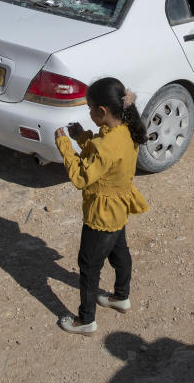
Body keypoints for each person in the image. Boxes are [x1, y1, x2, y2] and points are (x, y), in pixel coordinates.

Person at [54, 77, 149, 334]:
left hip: (102, 215)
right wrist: (83, 137)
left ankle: (86, 320)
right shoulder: (128, 129)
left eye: (90, 108)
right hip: (119, 208)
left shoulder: (105, 144)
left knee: (88, 265)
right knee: (120, 252)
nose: (89, 112)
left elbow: (81, 177)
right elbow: (106, 156)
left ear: (102, 111)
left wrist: (65, 146)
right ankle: (121, 296)